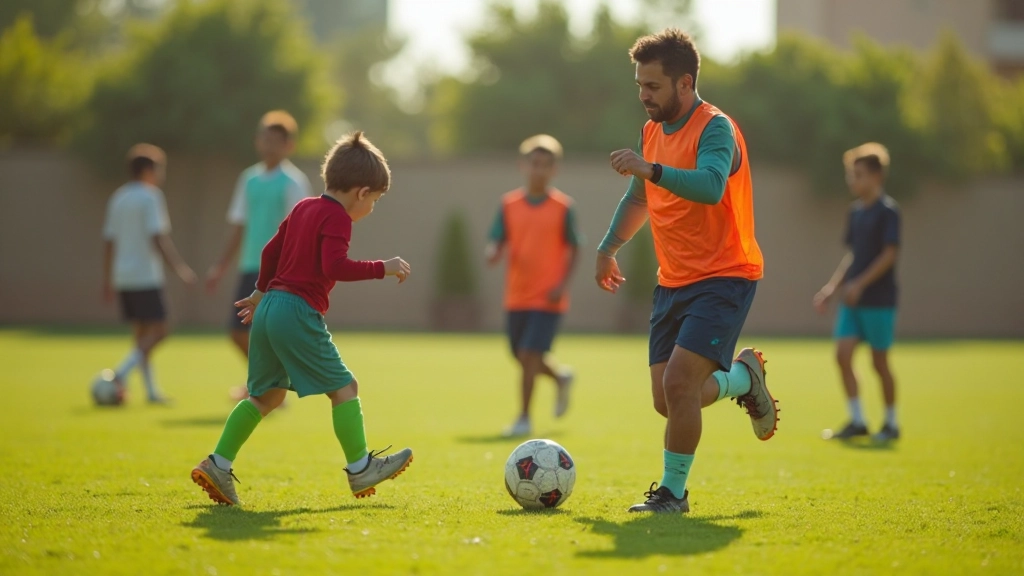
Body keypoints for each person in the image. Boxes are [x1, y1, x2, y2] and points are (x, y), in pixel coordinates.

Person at [595, 29, 779, 514]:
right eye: (639, 85)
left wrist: (649, 170)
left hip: (726, 274)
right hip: (672, 279)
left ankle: (672, 494)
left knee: (680, 386)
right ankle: (742, 380)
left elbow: (712, 186)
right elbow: (640, 196)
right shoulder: (651, 131)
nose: (643, 96)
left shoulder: (715, 127)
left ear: (684, 83)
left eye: (652, 86)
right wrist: (608, 247)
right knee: (670, 399)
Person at [190, 132, 413, 506]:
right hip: (296, 311)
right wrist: (383, 268)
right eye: (375, 199)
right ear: (361, 192)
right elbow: (335, 266)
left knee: (266, 396)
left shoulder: (304, 208)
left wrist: (261, 292)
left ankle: (218, 463)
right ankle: (361, 468)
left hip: (270, 308)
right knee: (345, 388)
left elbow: (268, 250)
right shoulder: (338, 218)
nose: (373, 207)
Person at [206, 111, 312, 398]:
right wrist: (221, 265)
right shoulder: (248, 180)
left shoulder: (293, 182)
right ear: (257, 141)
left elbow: (301, 231)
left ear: (289, 145)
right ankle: (271, 383)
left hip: (279, 271)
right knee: (237, 332)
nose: (269, 146)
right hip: (250, 265)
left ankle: (266, 388)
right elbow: (239, 225)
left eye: (276, 141)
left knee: (268, 333)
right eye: (265, 139)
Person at [485, 135, 582, 438]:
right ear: (523, 166)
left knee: (529, 354)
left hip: (548, 296)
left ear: (554, 169)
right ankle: (560, 377)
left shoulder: (563, 207)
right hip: (517, 295)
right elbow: (497, 238)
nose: (538, 170)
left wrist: (562, 284)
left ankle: (524, 418)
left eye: (545, 165)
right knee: (520, 355)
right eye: (534, 164)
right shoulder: (509, 204)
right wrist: (493, 251)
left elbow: (575, 247)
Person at [813, 143, 901, 443]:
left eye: (859, 175)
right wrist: (831, 288)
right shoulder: (855, 213)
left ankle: (891, 423)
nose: (853, 181)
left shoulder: (888, 212)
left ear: (877, 176)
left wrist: (860, 284)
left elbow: (889, 255)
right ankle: (858, 420)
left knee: (879, 363)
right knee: (843, 355)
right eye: (852, 175)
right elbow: (854, 256)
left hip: (878, 300)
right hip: (851, 299)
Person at [101, 143, 197, 403]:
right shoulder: (150, 196)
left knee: (142, 337)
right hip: (144, 275)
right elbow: (158, 238)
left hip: (123, 276)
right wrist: (180, 269)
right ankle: (118, 374)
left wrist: (108, 279)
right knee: (160, 331)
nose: (161, 174)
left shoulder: (118, 197)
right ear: (147, 170)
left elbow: (109, 241)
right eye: (159, 169)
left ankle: (152, 392)